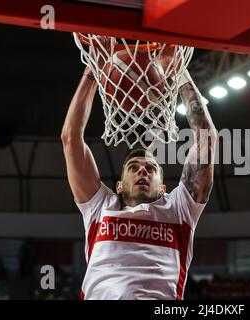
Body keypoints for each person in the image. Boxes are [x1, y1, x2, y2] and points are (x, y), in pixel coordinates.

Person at [61, 38, 217, 300]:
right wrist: (92, 69)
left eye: (150, 169)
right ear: (119, 186)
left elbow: (206, 139)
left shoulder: (178, 209)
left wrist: (181, 75)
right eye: (133, 167)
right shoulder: (101, 207)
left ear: (164, 188)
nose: (142, 172)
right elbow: (70, 138)